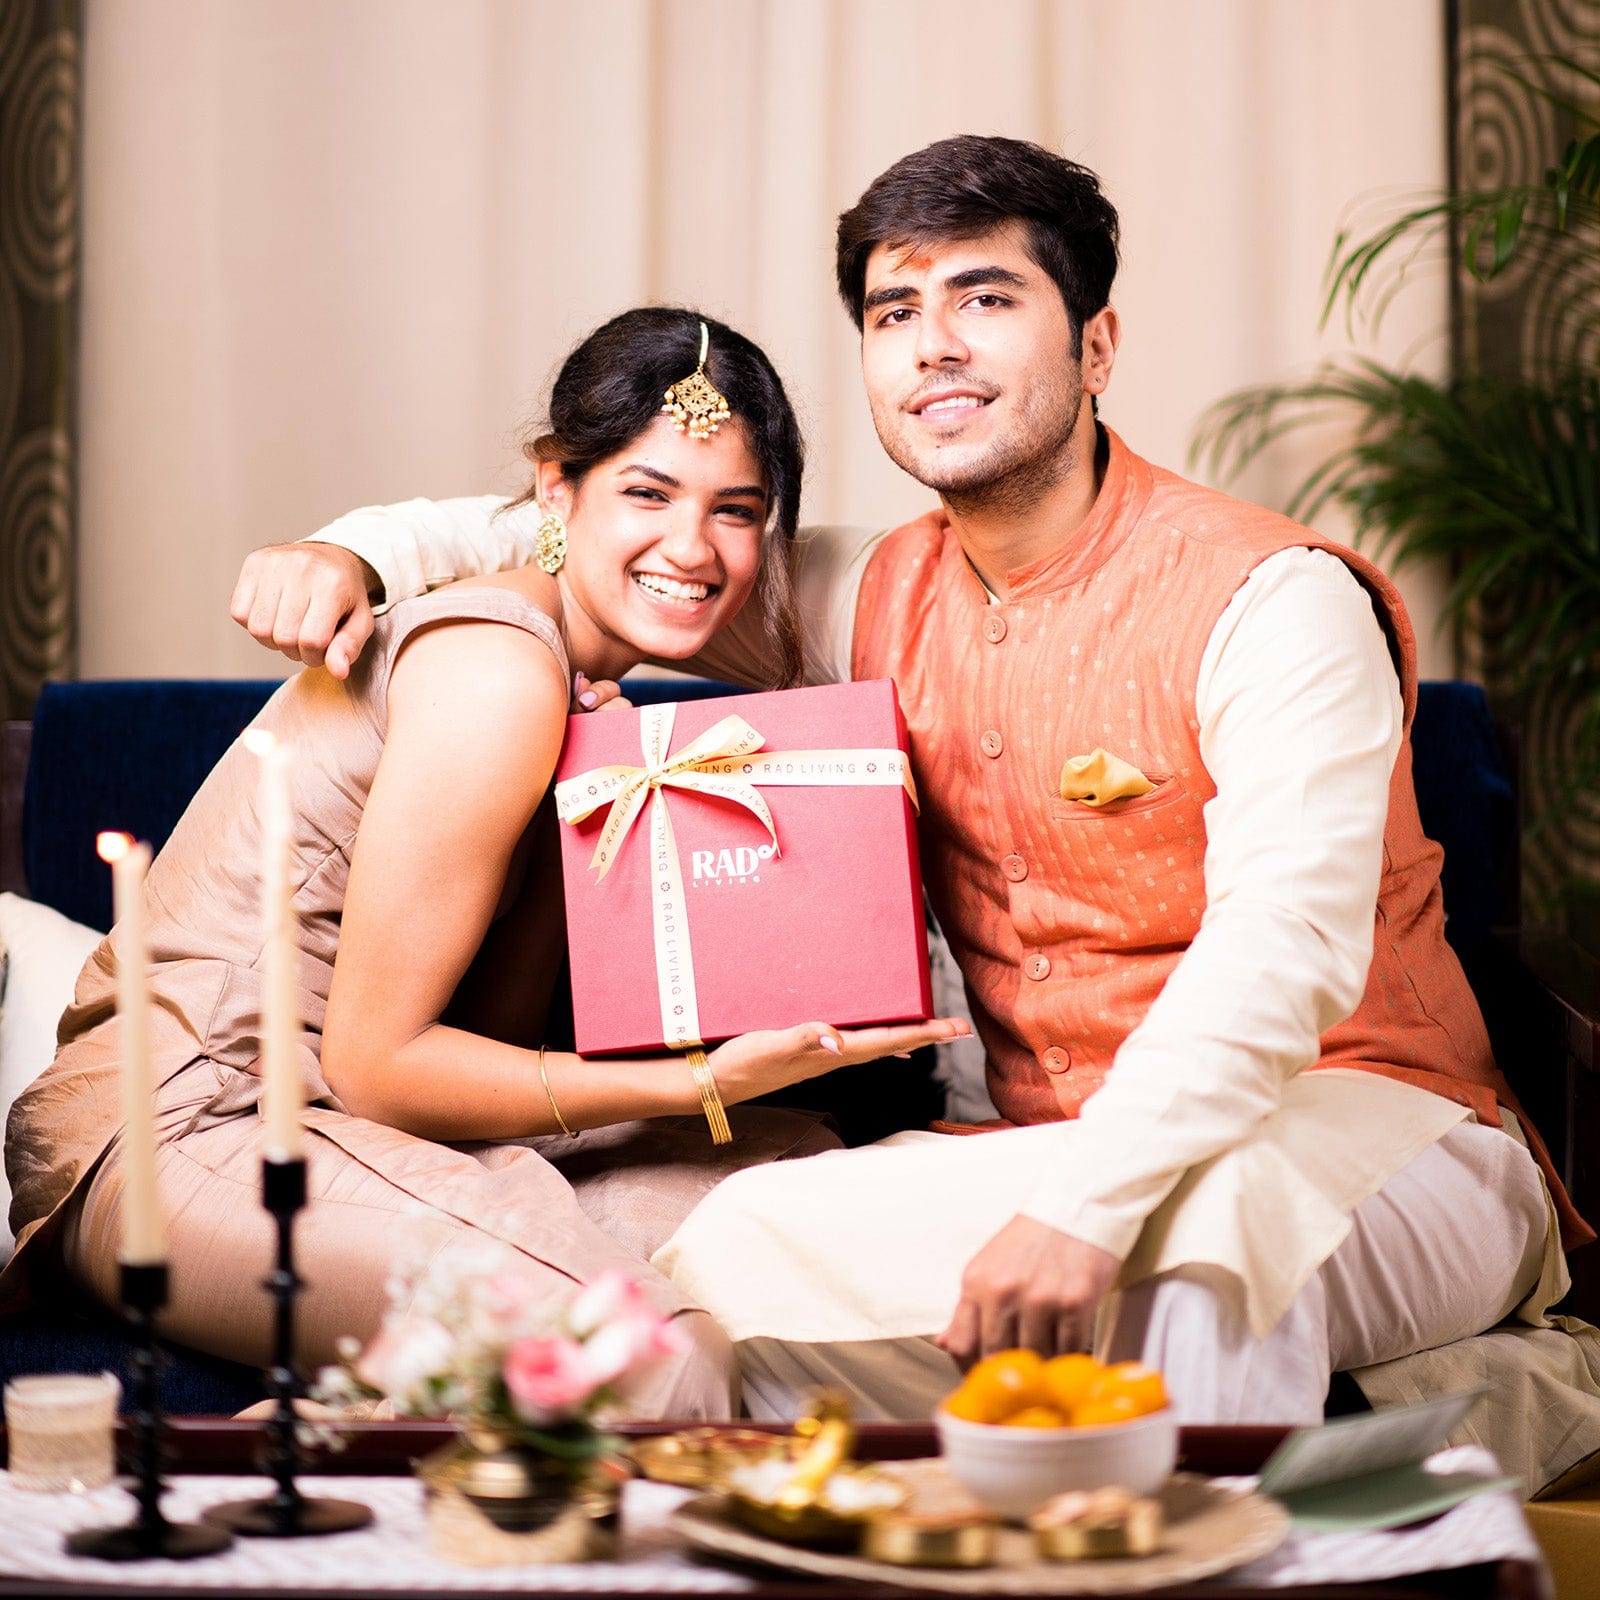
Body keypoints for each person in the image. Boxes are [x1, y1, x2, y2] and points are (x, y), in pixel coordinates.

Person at [229, 139, 1589, 1432]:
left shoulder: (1272, 599)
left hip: (1384, 1131)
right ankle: (1366, 1422)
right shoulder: (875, 591)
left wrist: (1084, 1211)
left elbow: (1281, 948)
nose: (933, 342)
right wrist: (359, 553)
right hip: (1041, 1154)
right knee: (714, 1256)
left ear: (1096, 346)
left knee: (1185, 1257)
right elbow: (603, 534)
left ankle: (1247, 1509)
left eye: (985, 298)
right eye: (894, 312)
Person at [1, 306, 965, 1418]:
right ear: (555, 490)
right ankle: (322, 1461)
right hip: (190, 1131)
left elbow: (483, 1045)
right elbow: (380, 1067)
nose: (694, 548)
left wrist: (584, 841)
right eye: (647, 494)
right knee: (654, 1357)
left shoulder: (578, 696)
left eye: (735, 510)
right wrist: (700, 1081)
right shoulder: (496, 667)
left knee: (796, 1183)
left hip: (349, 1122)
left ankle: (383, 1412)